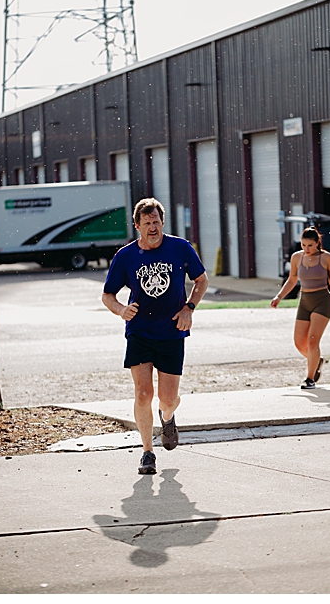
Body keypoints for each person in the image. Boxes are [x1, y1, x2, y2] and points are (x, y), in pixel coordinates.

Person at [102, 199, 207, 475]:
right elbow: (107, 296)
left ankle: (168, 417)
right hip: (139, 332)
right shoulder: (125, 257)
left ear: (163, 223)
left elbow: (202, 280)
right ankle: (147, 452)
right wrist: (121, 310)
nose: (152, 228)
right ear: (137, 226)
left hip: (173, 332)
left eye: (156, 222)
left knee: (168, 398)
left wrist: (189, 307)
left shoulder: (180, 248)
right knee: (143, 393)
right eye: (147, 223)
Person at [269, 227, 330, 389]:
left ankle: (310, 379)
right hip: (304, 301)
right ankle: (317, 360)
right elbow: (291, 280)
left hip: (322, 301)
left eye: (310, 245)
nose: (306, 249)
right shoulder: (297, 257)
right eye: (303, 245)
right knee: (298, 343)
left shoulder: (326, 258)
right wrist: (279, 297)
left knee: (312, 341)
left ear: (317, 242)